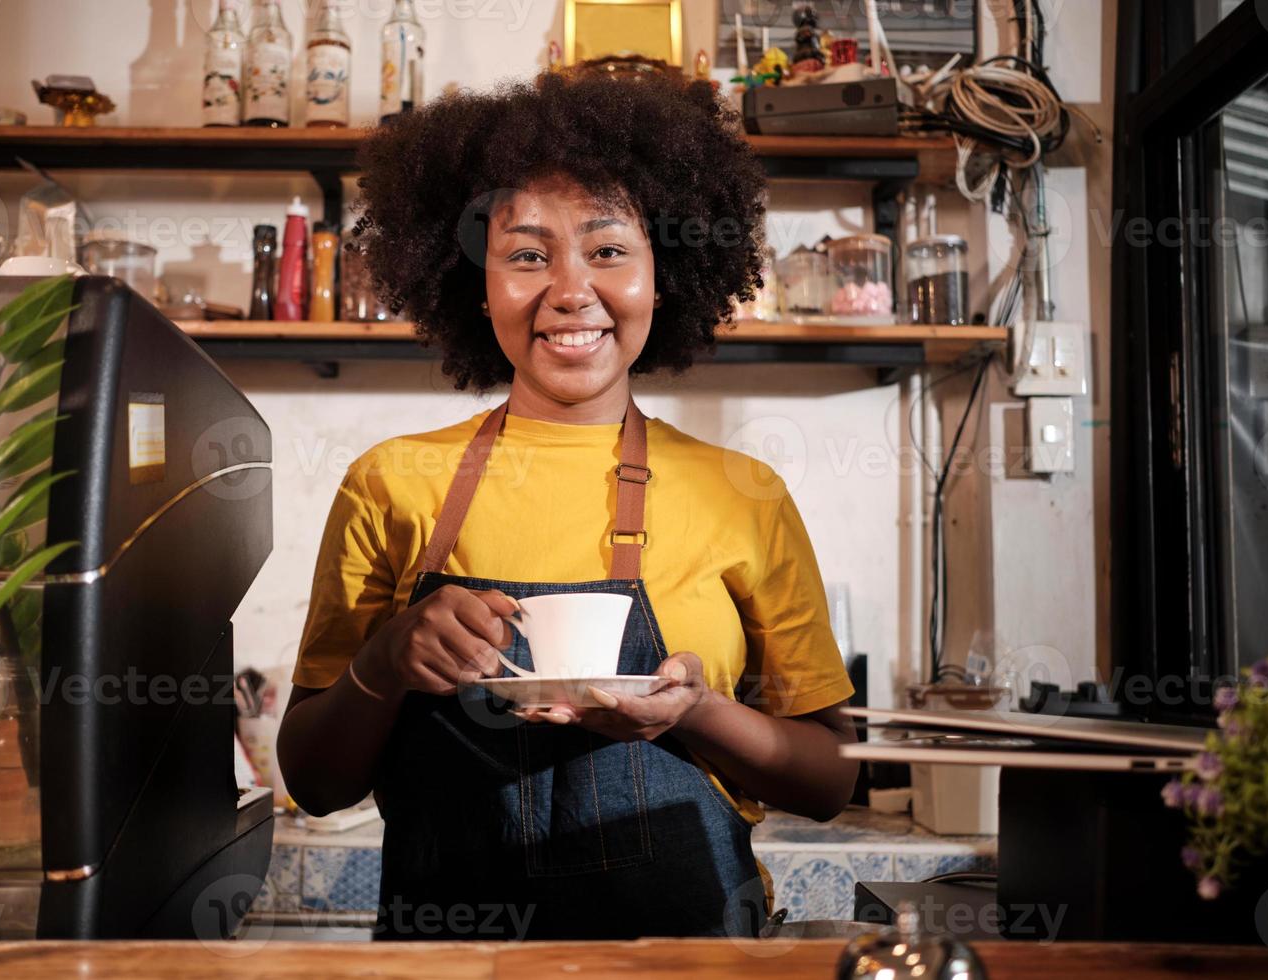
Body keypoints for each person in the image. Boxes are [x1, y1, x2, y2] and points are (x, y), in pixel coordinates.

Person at [277, 70, 858, 941]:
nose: (570, 289)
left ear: (666, 276)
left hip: (683, 961)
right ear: (476, 284)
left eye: (610, 249)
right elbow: (316, 784)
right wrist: (389, 658)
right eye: (525, 254)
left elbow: (827, 782)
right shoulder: (391, 482)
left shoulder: (743, 495)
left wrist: (694, 712)